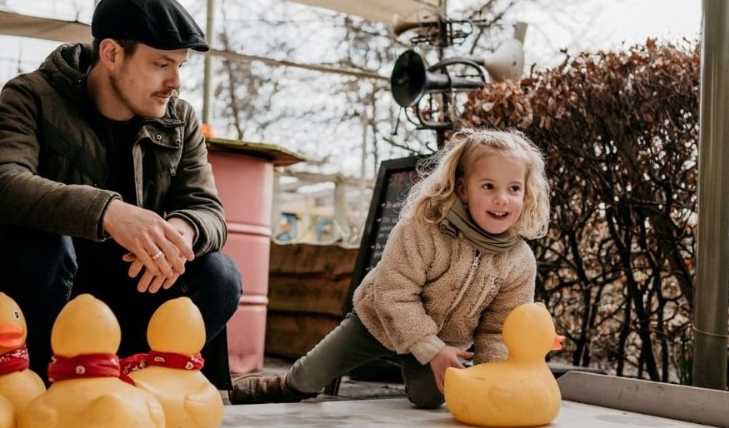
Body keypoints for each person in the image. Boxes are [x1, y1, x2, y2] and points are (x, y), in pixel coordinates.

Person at [0, 0, 242, 389]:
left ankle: (136, 384)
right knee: (41, 243)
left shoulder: (179, 119)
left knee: (219, 273)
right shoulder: (31, 95)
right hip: (42, 291)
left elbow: (209, 210)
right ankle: (32, 388)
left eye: (180, 66)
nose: (175, 82)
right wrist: (110, 213)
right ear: (112, 54)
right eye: (161, 65)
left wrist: (180, 233)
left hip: (129, 287)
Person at [230, 128, 549, 408]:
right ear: (464, 189)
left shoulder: (519, 261)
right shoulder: (424, 229)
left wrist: (491, 377)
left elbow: (498, 328)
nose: (502, 200)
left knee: (431, 399)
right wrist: (431, 349)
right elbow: (393, 294)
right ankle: (283, 385)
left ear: (527, 192)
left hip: (442, 343)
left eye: (514, 189)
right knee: (309, 376)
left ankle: (415, 371)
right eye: (489, 187)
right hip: (376, 324)